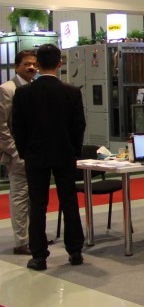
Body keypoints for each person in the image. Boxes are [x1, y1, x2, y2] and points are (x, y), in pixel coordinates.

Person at [11, 43, 87, 271]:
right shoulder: (71, 92)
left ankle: (39, 255)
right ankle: (75, 251)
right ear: (59, 63)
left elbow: (18, 128)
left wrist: (25, 152)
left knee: (38, 204)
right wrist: (74, 151)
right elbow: (79, 126)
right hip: (64, 154)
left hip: (35, 156)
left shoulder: (23, 93)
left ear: (38, 64)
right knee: (69, 202)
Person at [0, 50, 38, 254]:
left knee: (35, 198)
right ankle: (21, 242)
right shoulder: (7, 89)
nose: (31, 67)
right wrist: (15, 152)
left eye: (34, 64)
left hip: (35, 154)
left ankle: (35, 237)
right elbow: (2, 126)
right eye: (26, 64)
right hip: (17, 155)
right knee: (20, 198)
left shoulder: (36, 87)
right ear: (17, 67)